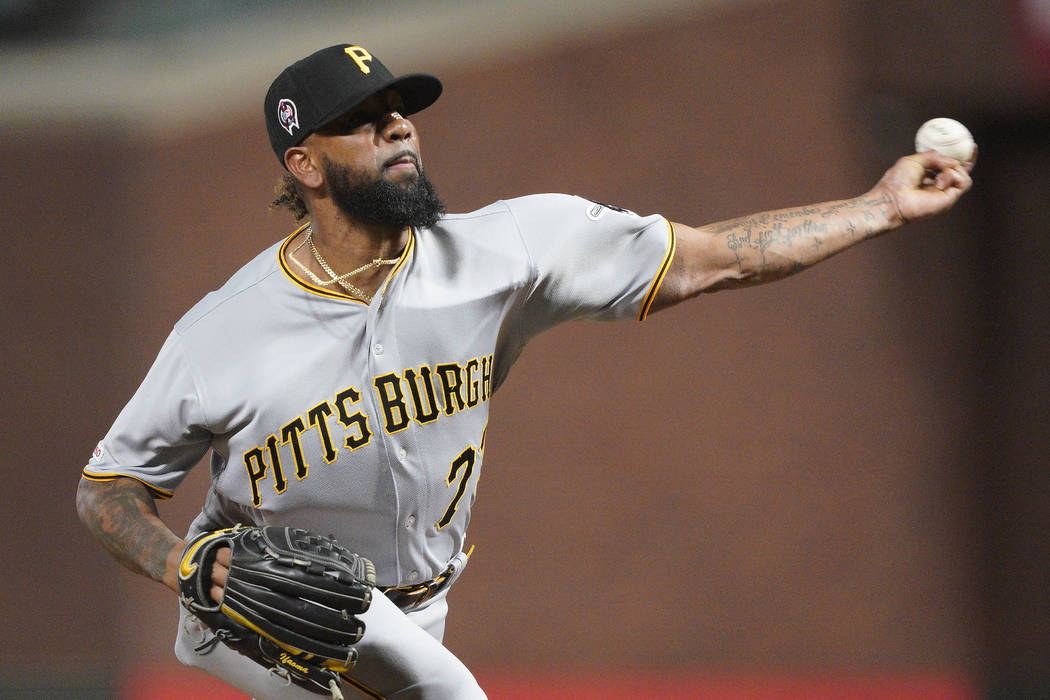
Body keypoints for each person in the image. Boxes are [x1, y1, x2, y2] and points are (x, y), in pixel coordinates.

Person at [75, 43, 974, 700]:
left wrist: (877, 208)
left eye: (399, 109)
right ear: (303, 164)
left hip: (422, 599)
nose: (396, 126)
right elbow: (108, 489)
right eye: (362, 119)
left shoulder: (507, 249)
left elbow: (712, 259)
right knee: (443, 692)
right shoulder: (222, 333)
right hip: (264, 606)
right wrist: (190, 566)